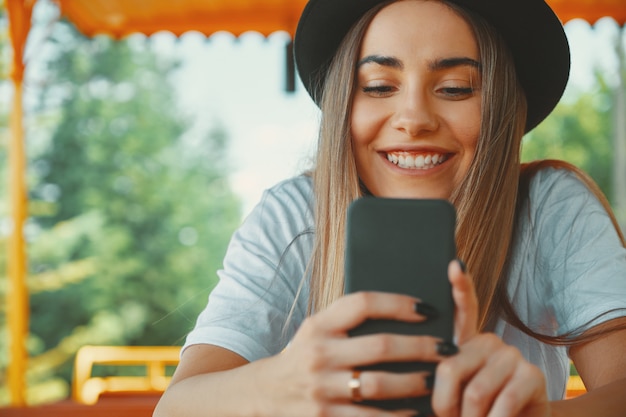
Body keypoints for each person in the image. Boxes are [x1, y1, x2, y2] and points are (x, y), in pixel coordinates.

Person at [153, 0, 626, 416]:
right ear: (344, 104)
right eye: (379, 86)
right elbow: (176, 407)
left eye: (457, 87)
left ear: (500, 106)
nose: (414, 119)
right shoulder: (293, 214)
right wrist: (279, 388)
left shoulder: (548, 206)